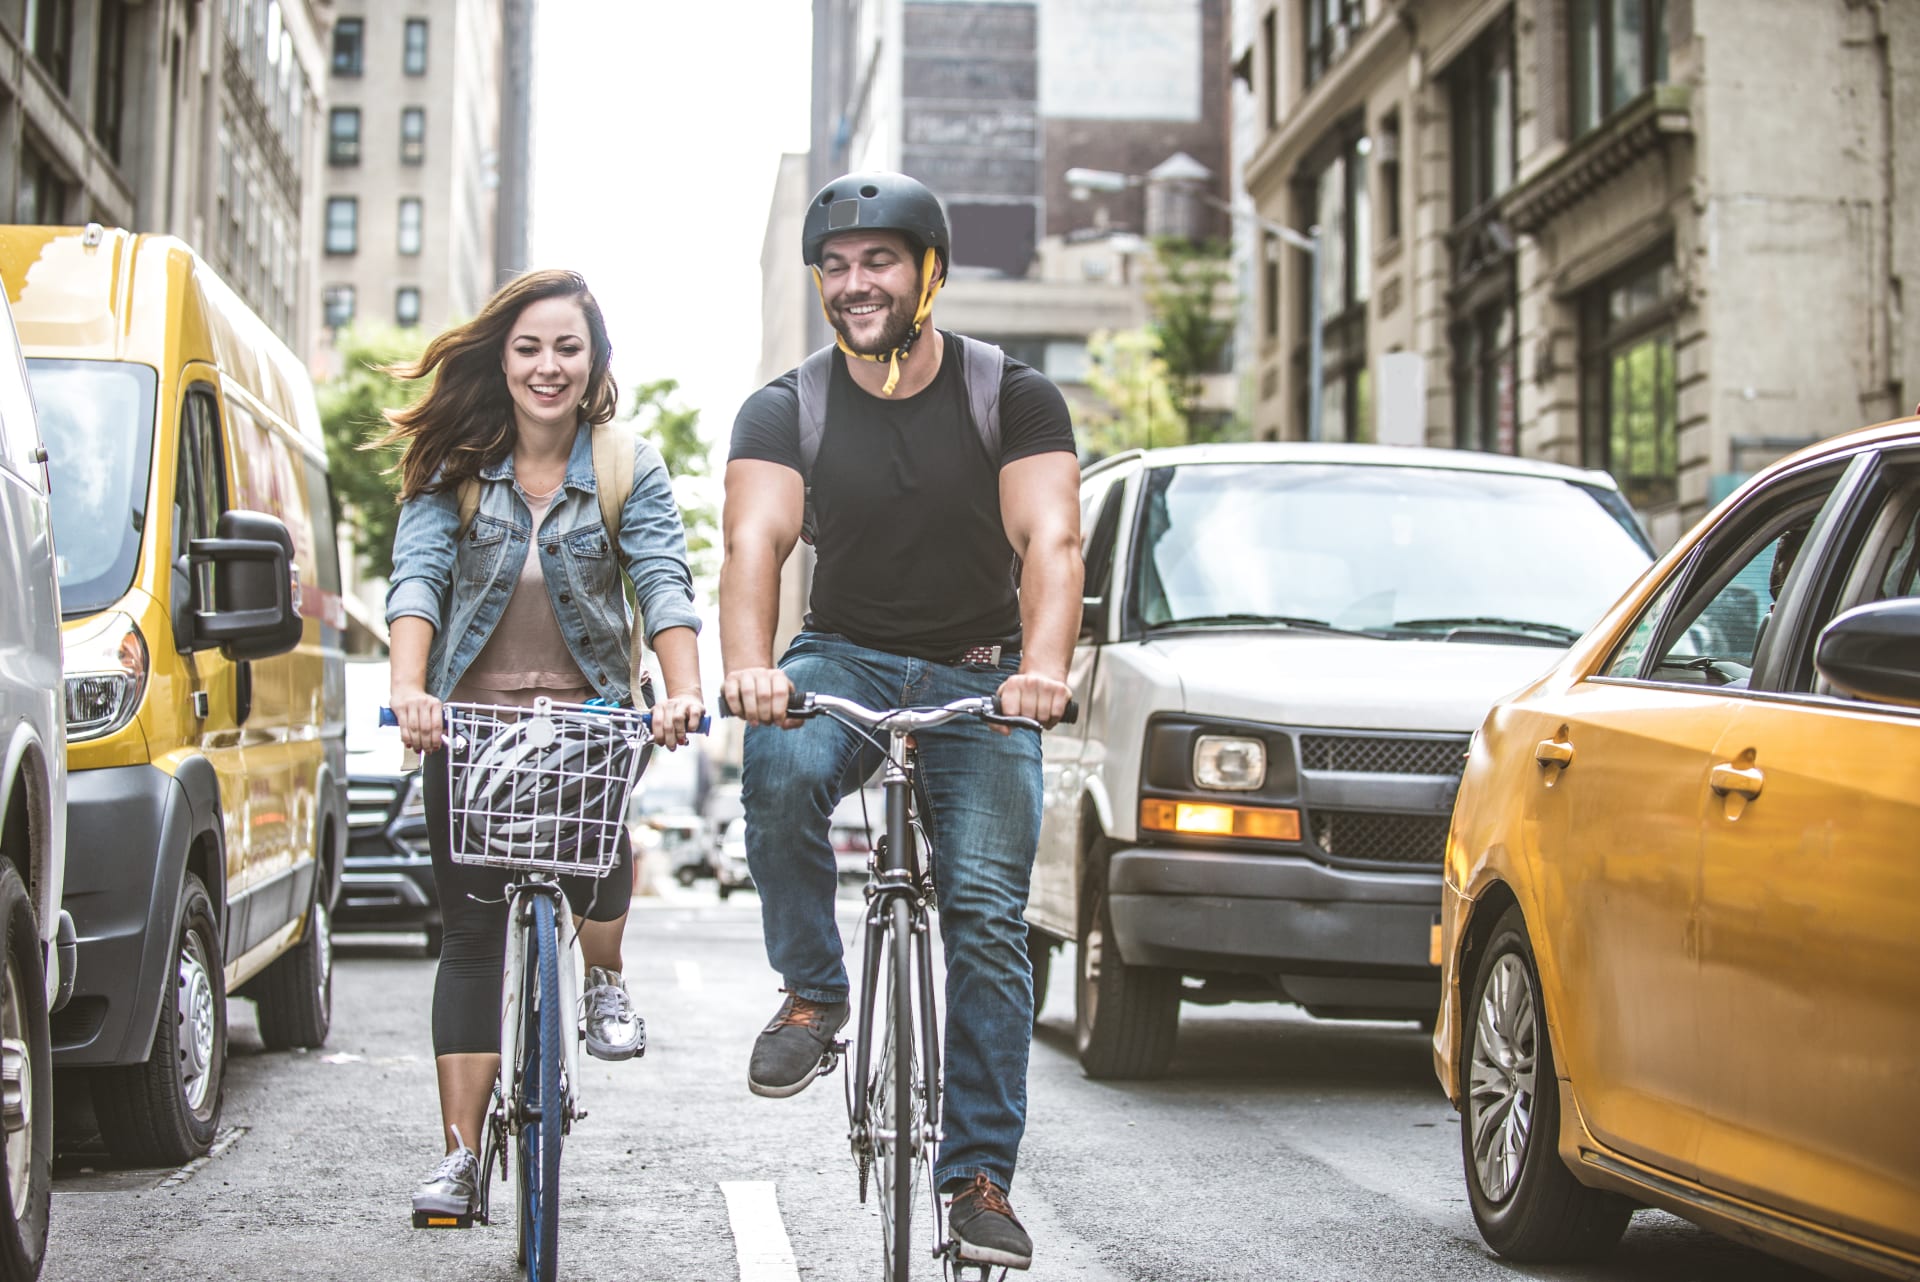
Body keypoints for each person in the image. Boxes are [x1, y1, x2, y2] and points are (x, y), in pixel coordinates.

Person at [719, 171, 1081, 1271]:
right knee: (781, 764)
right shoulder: (787, 406)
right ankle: (814, 994)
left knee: (986, 917)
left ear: (930, 273)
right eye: (834, 266)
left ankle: (976, 1180)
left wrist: (1043, 671)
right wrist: (749, 668)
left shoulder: (1011, 394)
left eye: (877, 260)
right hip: (844, 655)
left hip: (980, 670)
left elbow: (1051, 541)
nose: (853, 283)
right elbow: (753, 543)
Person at [382, 269, 705, 1223]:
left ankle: (603, 976)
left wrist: (683, 691)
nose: (547, 366)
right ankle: (458, 1157)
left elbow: (663, 579)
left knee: (600, 866)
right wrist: (410, 690)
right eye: (528, 348)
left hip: (590, 721)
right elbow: (418, 578)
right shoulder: (454, 465)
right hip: (470, 729)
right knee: (471, 933)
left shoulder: (625, 465)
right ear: (503, 359)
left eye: (568, 347)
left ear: (594, 362)